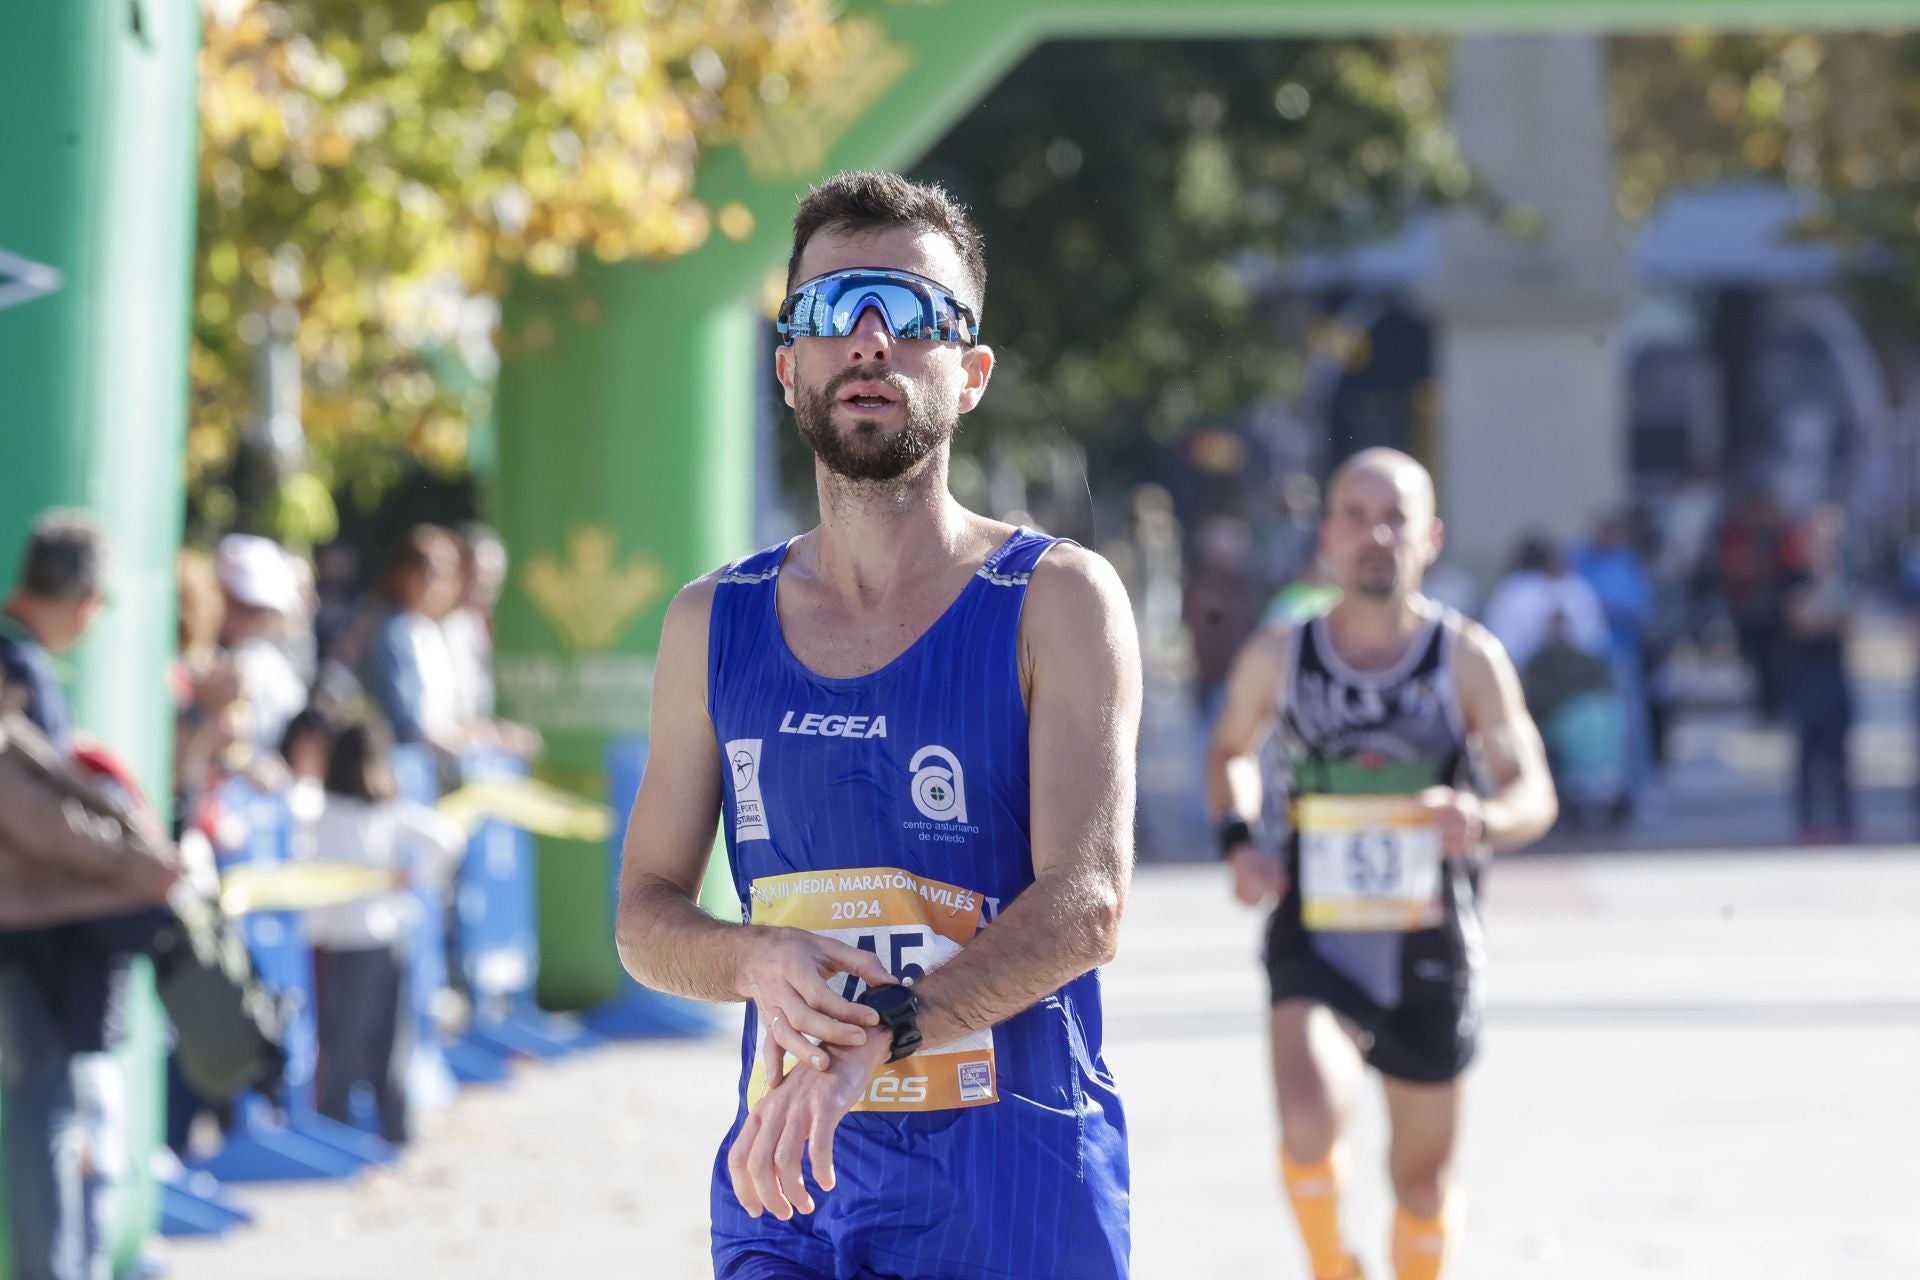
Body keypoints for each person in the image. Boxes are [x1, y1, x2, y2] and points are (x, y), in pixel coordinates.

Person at [615, 170, 1139, 1280]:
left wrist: (880, 1031)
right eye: (830, 309)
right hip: (793, 1182)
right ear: (787, 362)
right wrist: (752, 956)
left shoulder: (1058, 599)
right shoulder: (711, 621)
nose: (867, 340)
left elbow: (1087, 906)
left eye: (910, 313)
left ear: (970, 371)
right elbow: (644, 917)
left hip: (1014, 1190)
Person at [1207, 450, 1558, 1280]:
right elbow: (1230, 752)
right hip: (1316, 928)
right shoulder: (1281, 654)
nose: (1376, 535)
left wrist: (1479, 817)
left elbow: (1533, 789)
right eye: (1357, 516)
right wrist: (1240, 840)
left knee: (1423, 1182)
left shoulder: (1466, 659)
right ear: (1328, 536)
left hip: (1429, 936)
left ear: (1430, 537)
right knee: (1305, 1115)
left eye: (1396, 517)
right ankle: (1335, 1268)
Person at [0, 510, 180, 1280]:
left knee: (51, 1113)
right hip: (26, 932)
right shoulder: (18, 669)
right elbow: (32, 812)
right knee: (45, 1112)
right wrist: (135, 864)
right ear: (85, 599)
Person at [303, 717, 466, 1145]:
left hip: (344, 944)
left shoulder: (325, 814)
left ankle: (335, 1131)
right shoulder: (388, 811)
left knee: (342, 1043)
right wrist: (415, 876)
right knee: (389, 1044)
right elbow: (448, 837)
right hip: (387, 939)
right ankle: (394, 1131)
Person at [1782, 505, 1856, 842]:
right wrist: (1828, 615)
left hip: (1835, 670)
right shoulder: (1795, 578)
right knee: (1808, 751)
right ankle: (1808, 820)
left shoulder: (1844, 580)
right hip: (1807, 674)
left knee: (1839, 749)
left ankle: (1844, 818)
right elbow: (1804, 622)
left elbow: (1849, 623)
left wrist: (1828, 617)